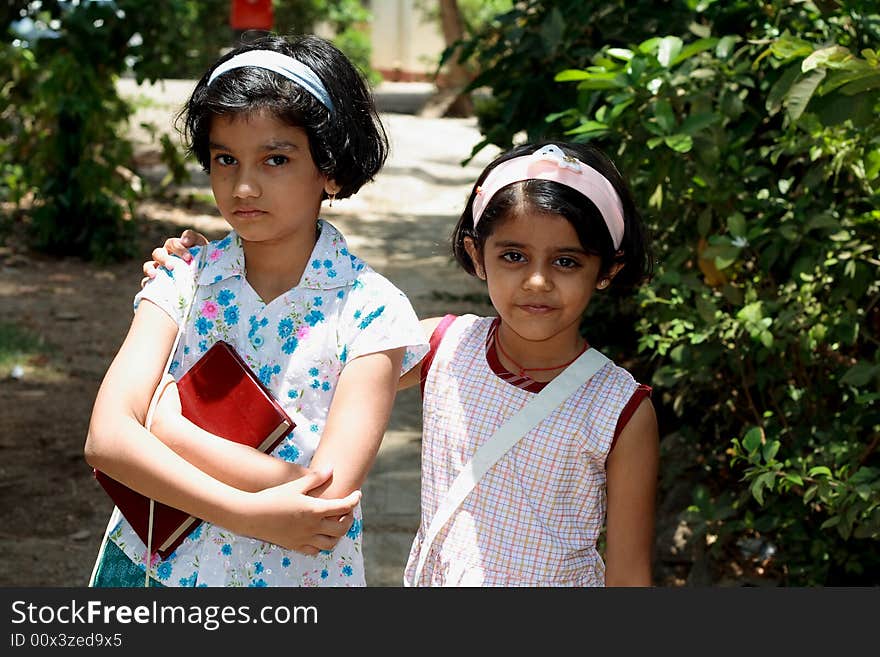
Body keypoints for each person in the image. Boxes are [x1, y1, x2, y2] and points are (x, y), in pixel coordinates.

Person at [145, 141, 659, 586]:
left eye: (566, 261)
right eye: (513, 256)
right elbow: (298, 356)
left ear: (607, 270)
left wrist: (171, 431)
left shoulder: (621, 409)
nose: (538, 281)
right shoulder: (443, 345)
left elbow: (629, 576)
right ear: (476, 255)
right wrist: (207, 271)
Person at [84, 34, 428, 588]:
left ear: (331, 169)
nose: (244, 185)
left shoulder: (372, 311)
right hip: (153, 574)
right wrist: (249, 511)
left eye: (276, 158)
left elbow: (327, 494)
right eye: (225, 159)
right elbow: (106, 439)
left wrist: (168, 429)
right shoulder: (183, 277)